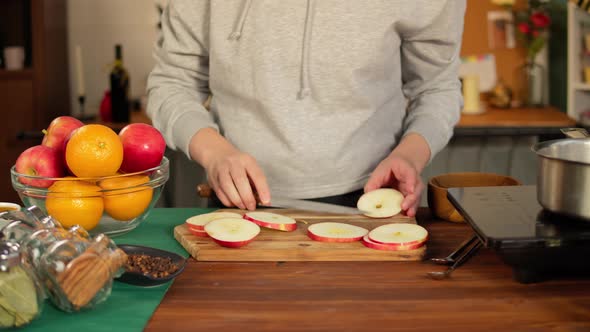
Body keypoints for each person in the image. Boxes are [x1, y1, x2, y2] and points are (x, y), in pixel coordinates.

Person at [147, 0, 466, 217]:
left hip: (373, 204)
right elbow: (172, 83)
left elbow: (437, 86)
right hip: (238, 206)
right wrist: (215, 154)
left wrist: (409, 156)